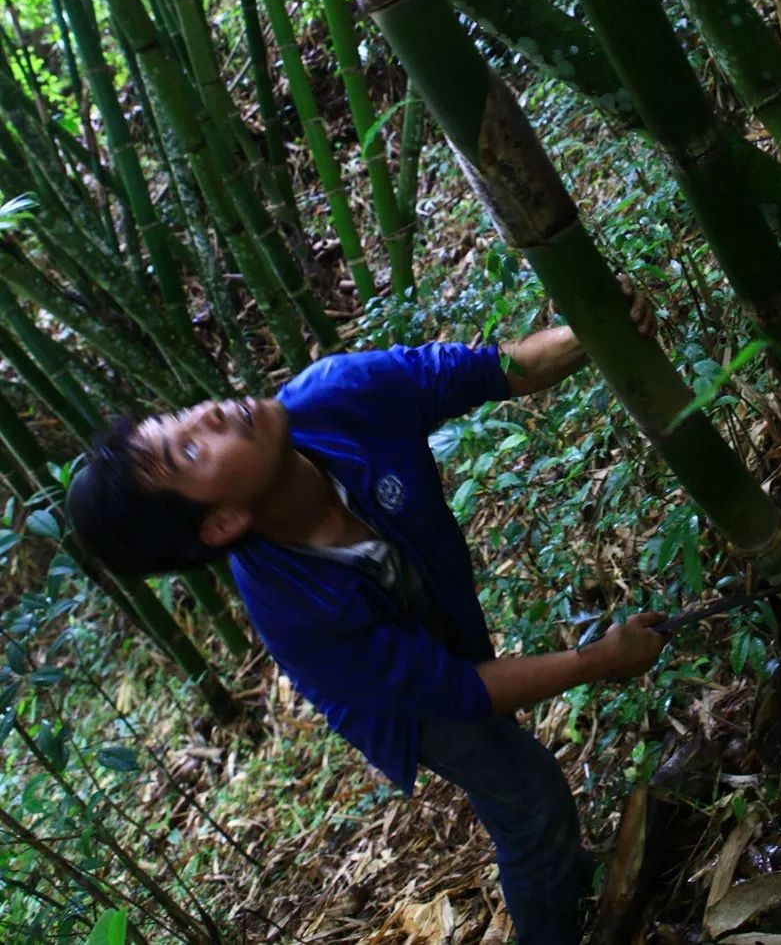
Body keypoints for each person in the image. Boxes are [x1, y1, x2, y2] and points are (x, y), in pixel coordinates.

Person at [67, 290, 665, 944]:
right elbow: (456, 691)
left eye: (182, 415)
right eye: (187, 451)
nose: (209, 411)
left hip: (434, 613)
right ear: (224, 522)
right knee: (528, 794)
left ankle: (567, 879)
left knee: (515, 769)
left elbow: (499, 368)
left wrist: (594, 324)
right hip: (401, 703)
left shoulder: (340, 395)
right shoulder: (296, 609)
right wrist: (601, 660)